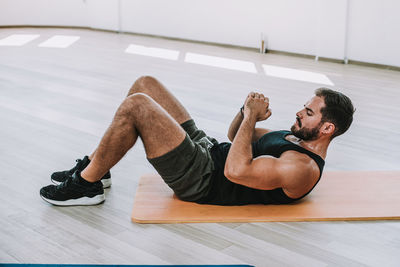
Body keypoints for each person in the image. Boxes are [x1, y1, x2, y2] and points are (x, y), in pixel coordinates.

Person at [40, 76, 355, 206]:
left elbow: (235, 171)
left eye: (309, 112)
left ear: (327, 129)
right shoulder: (294, 139)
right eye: (304, 106)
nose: (300, 112)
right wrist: (245, 111)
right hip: (210, 150)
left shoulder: (301, 168)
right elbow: (236, 137)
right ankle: (100, 168)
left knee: (137, 105)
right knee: (145, 85)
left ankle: (86, 184)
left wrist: (250, 117)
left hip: (203, 180)